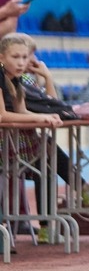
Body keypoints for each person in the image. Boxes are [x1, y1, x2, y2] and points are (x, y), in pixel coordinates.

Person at [0, 33, 70, 218]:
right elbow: (2, 116)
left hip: (13, 142)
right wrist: (42, 118)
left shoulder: (16, 78)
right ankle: (82, 188)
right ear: (1, 57)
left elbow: (23, 111)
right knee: (46, 152)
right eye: (16, 57)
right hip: (5, 144)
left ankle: (47, 224)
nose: (22, 62)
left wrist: (45, 117)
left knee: (46, 163)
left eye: (25, 57)